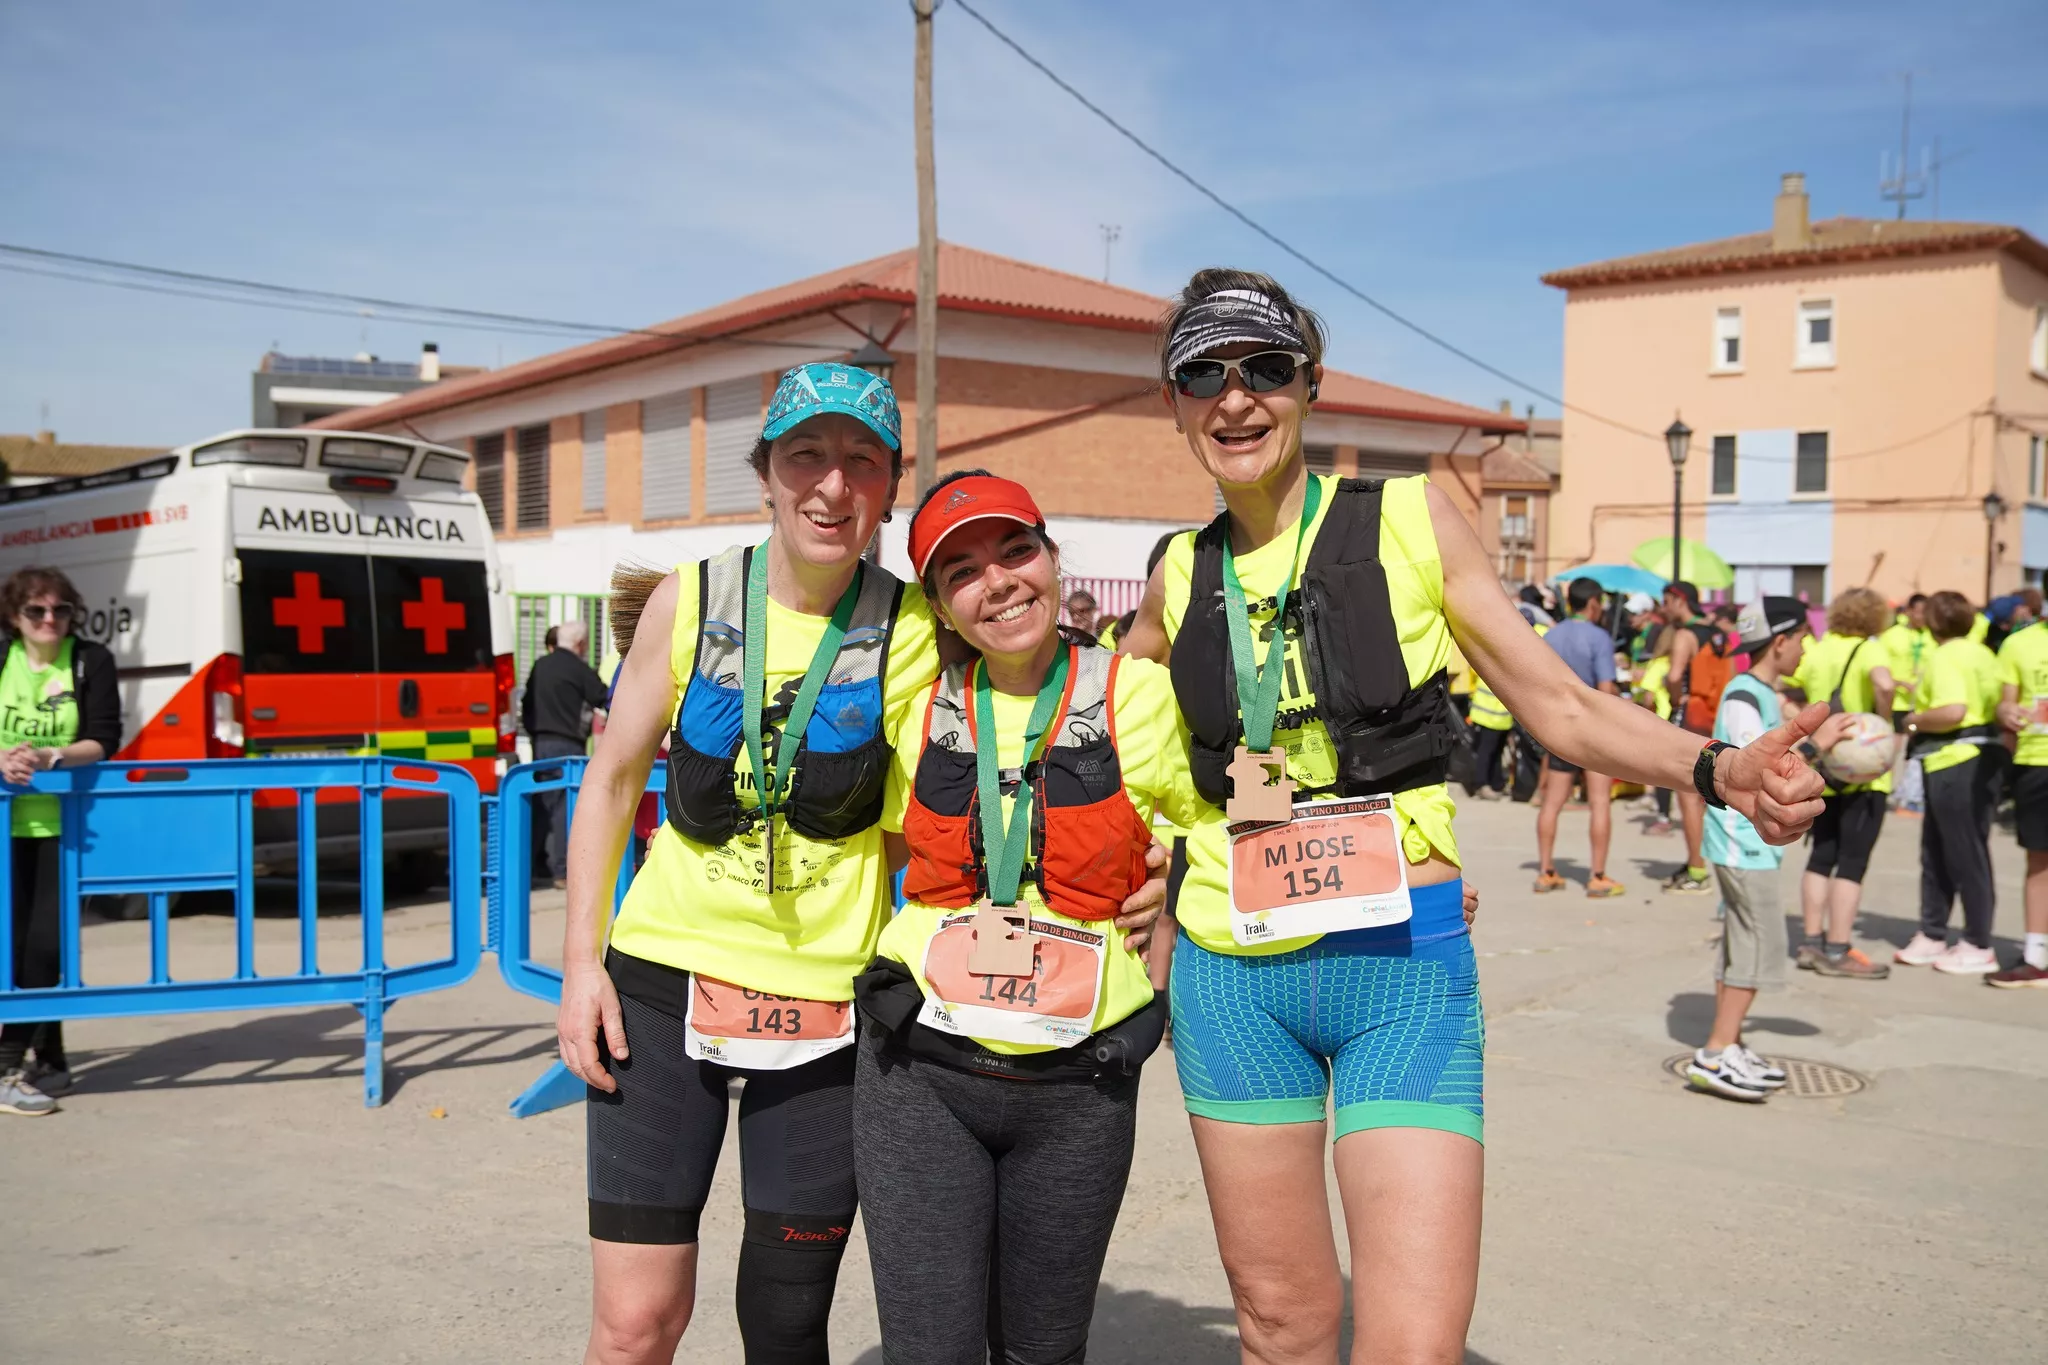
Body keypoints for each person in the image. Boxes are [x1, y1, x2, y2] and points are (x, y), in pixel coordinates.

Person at [1117, 267, 1827, 1361]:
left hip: (1398, 969)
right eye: (1202, 375)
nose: (1235, 397)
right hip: (1233, 980)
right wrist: (1136, 869)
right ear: (1173, 403)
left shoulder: (1408, 518)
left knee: (1413, 1344)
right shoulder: (1175, 573)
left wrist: (1716, 766)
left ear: (1308, 383)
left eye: (1264, 368)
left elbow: (1559, 705)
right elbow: (1107, 739)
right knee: (1280, 1327)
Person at [553, 363, 939, 1365]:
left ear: (889, 486)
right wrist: (580, 966)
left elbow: (925, 828)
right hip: (659, 985)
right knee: (635, 1324)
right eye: (805, 455)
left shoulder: (910, 629)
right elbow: (609, 782)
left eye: (861, 461)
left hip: (823, 1007)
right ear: (765, 472)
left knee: (785, 1324)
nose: (831, 485)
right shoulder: (690, 599)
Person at [848, 471, 1201, 1364]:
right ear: (939, 605)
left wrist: (1176, 874)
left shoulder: (1139, 693)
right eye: (962, 571)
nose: (999, 581)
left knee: (1044, 1350)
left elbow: (1223, 824)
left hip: (1080, 1083)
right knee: (930, 1351)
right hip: (922, 1074)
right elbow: (871, 851)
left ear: (1052, 557)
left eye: (1016, 550)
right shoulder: (914, 708)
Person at [0, 567, 121, 1117]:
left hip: (65, 827)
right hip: (5, 825)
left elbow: (105, 737)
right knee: (12, 945)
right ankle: (50, 1058)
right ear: (14, 617)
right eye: (36, 610)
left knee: (44, 946)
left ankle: (7, 1065)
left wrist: (53, 756)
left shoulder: (91, 660)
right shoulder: (3, 659)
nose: (50, 619)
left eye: (61, 609)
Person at [1687, 597, 1818, 1100]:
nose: (1806, 648)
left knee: (1740, 944)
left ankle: (1729, 1044)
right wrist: (1820, 747)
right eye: (1803, 638)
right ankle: (1715, 1053)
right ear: (1780, 641)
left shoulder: (1758, 691)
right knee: (1757, 946)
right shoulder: (1745, 693)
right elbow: (1756, 764)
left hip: (1746, 843)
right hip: (1742, 843)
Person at [1782, 587, 1896, 979]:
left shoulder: (1820, 650)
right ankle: (1838, 948)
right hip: (1862, 773)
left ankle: (1811, 942)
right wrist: (1883, 723)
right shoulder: (1870, 649)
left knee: (1820, 856)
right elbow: (1884, 684)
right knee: (1852, 863)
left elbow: (1786, 687)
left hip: (1825, 767)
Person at [1894, 591, 2005, 975]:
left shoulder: (1944, 656)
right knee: (1942, 849)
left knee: (1959, 851)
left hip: (1955, 759)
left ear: (1933, 621)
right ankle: (1933, 933)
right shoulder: (1982, 654)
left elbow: (1953, 711)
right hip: (1979, 757)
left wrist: (1913, 720)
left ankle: (1977, 941)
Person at [1532, 576, 1624, 896]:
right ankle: (1597, 875)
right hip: (1594, 731)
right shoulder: (1599, 638)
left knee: (1551, 802)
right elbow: (1606, 688)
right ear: (1594, 603)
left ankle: (1546, 871)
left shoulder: (1551, 636)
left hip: (1560, 728)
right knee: (1600, 802)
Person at [523, 619, 611, 889]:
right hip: (567, 745)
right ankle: (561, 870)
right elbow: (605, 697)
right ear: (580, 643)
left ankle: (531, 864)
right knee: (565, 806)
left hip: (540, 743)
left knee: (541, 804)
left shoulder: (540, 665)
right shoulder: (578, 669)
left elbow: (526, 703)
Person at [1992, 611, 2048, 986]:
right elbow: (2003, 705)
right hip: (2035, 763)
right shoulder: (2019, 643)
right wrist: (2006, 712)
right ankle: (2036, 956)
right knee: (2040, 861)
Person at [1662, 580, 1728, 893]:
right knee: (1710, 792)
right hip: (1716, 717)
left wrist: (1675, 695)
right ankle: (1700, 860)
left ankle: (1697, 869)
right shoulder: (1718, 634)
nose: (1664, 609)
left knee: (1689, 794)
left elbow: (1676, 675)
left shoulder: (1685, 635)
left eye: (1667, 602)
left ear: (1680, 601)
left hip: (1691, 717)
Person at [1883, 594, 1934, 811]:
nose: (1922, 617)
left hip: (1921, 704)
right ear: (1909, 611)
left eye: (1926, 613)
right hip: (1897, 702)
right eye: (1919, 612)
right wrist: (1899, 682)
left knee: (1914, 750)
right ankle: (1885, 789)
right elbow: (1880, 668)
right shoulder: (1891, 636)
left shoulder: (1932, 635)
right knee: (1892, 748)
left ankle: (1907, 792)